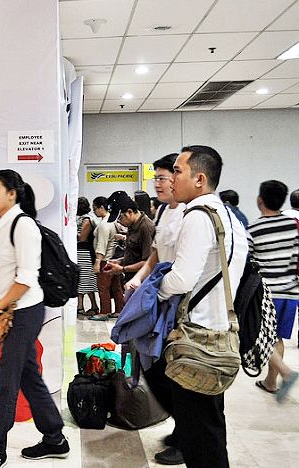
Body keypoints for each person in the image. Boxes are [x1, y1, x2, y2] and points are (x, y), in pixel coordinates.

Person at [157, 145, 248, 468]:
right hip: (218, 334)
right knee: (210, 428)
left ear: (199, 178)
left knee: (199, 437)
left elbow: (181, 279)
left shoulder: (197, 215)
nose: (171, 178)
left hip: (196, 340)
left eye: (178, 171)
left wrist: (156, 292)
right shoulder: (228, 216)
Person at [0, 169, 68, 467]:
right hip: (14, 308)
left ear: (12, 194)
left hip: (25, 311)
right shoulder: (1, 225)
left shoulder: (23, 225)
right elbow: (4, 269)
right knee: (28, 375)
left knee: (6, 380)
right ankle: (55, 437)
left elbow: (26, 278)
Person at [124, 152, 186, 465]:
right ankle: (182, 428)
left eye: (162, 177)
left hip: (176, 303)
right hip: (157, 300)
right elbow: (156, 255)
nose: (156, 183)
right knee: (152, 366)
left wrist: (154, 290)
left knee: (172, 370)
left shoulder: (192, 212)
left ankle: (186, 435)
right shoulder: (162, 212)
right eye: (156, 177)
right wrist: (137, 280)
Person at [247, 180, 299, 400]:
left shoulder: (254, 230)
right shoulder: (293, 227)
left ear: (260, 201)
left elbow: (249, 264)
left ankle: (286, 374)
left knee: (258, 336)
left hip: (268, 294)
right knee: (276, 338)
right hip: (291, 293)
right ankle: (270, 382)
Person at [103, 192, 156, 285]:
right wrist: (119, 261)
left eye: (120, 218)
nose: (119, 222)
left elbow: (148, 262)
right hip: (130, 281)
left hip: (141, 283)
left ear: (130, 212)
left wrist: (122, 269)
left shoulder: (145, 228)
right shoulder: (132, 225)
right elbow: (135, 255)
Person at [90, 196, 125, 321]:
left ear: (101, 208)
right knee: (116, 286)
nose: (94, 211)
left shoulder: (105, 225)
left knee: (103, 287)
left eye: (95, 208)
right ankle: (119, 310)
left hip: (105, 260)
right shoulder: (113, 221)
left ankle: (104, 312)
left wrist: (97, 261)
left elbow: (102, 244)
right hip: (114, 259)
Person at [76, 196, 99, 316]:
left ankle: (84, 306)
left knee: (84, 280)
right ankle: (90, 305)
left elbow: (82, 238)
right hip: (83, 251)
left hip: (84, 252)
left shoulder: (86, 219)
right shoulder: (86, 218)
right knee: (85, 280)